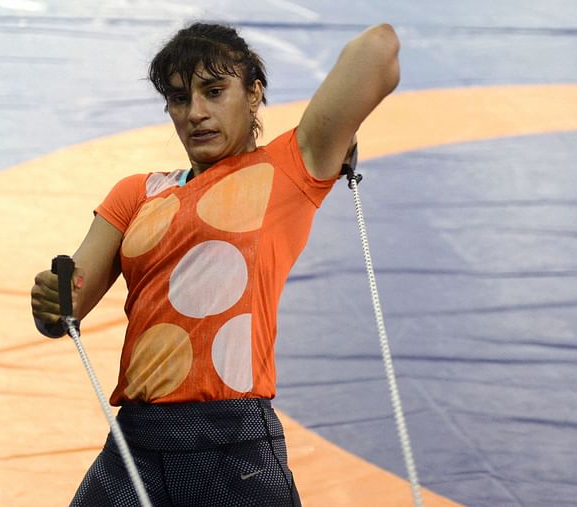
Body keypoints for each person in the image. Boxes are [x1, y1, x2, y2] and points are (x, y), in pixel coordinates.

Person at [31, 21, 400, 506]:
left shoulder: (288, 168)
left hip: (232, 442)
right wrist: (51, 302)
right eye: (180, 99)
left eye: (214, 91)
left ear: (254, 95)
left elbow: (380, 47)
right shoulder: (136, 193)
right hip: (138, 441)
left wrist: (334, 132)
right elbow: (65, 312)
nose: (196, 113)